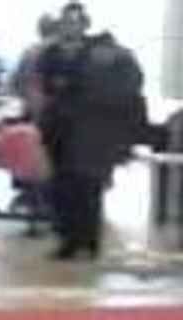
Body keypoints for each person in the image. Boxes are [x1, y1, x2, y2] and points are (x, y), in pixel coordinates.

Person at [37, 2, 146, 260]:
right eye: (67, 21)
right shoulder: (51, 53)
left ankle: (88, 242)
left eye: (77, 21)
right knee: (62, 188)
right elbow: (46, 85)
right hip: (58, 130)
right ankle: (68, 240)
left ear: (85, 24)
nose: (72, 26)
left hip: (89, 131)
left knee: (89, 187)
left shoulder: (100, 53)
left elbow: (113, 87)